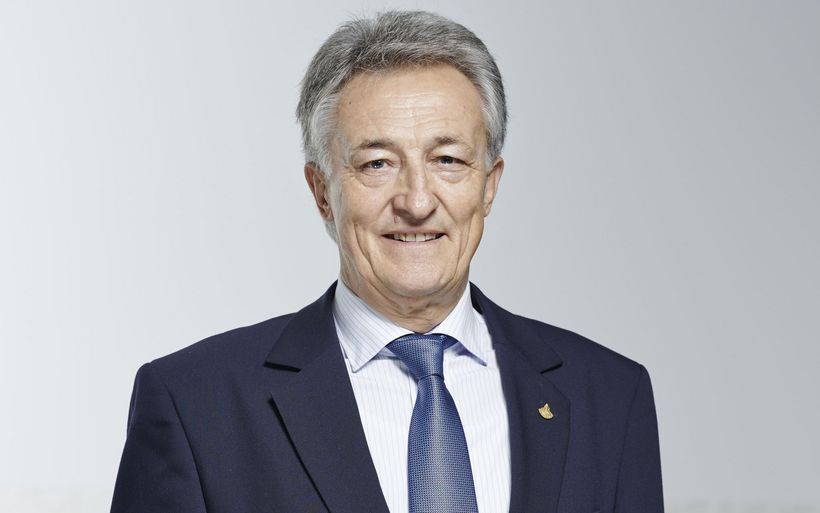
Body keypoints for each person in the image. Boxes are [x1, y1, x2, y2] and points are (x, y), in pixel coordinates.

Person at [111, 10, 663, 513]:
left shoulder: (610, 397)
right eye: (377, 163)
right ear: (322, 191)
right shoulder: (195, 404)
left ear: (489, 185)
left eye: (448, 159)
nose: (417, 202)